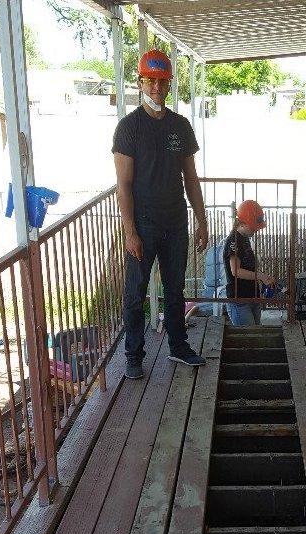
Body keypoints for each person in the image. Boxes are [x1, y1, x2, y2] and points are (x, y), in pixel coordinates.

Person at [112, 49, 208, 379]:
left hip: (176, 221)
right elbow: (124, 185)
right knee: (136, 292)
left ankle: (178, 347)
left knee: (175, 288)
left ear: (169, 85)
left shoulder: (180, 126)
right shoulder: (128, 128)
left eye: (162, 81)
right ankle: (134, 355)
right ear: (140, 83)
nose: (156, 88)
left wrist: (202, 219)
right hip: (143, 224)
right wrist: (130, 231)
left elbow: (191, 178)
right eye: (150, 81)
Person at [224, 200, 274, 326]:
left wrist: (262, 277)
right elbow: (236, 271)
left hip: (252, 295)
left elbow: (249, 267)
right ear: (244, 223)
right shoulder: (234, 241)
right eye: (254, 226)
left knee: (255, 334)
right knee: (248, 338)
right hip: (239, 299)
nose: (257, 230)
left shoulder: (245, 239)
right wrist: (260, 276)